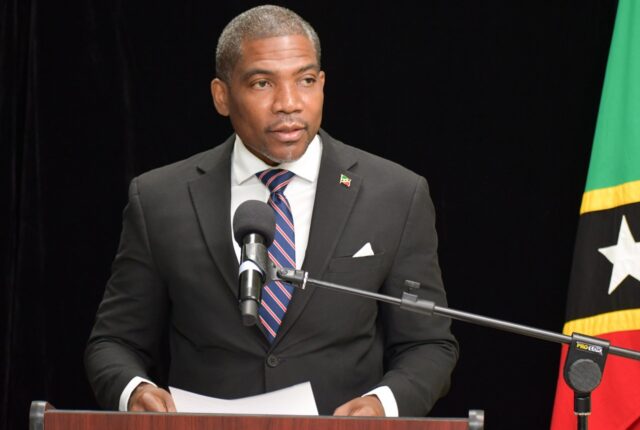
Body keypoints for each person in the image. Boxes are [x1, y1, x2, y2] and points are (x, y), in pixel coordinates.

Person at [84, 4, 457, 417]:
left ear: (322, 85)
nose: (289, 103)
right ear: (222, 96)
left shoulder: (394, 195)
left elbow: (428, 344)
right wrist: (134, 391)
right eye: (262, 83)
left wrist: (380, 406)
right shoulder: (159, 199)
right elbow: (114, 342)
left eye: (306, 80)